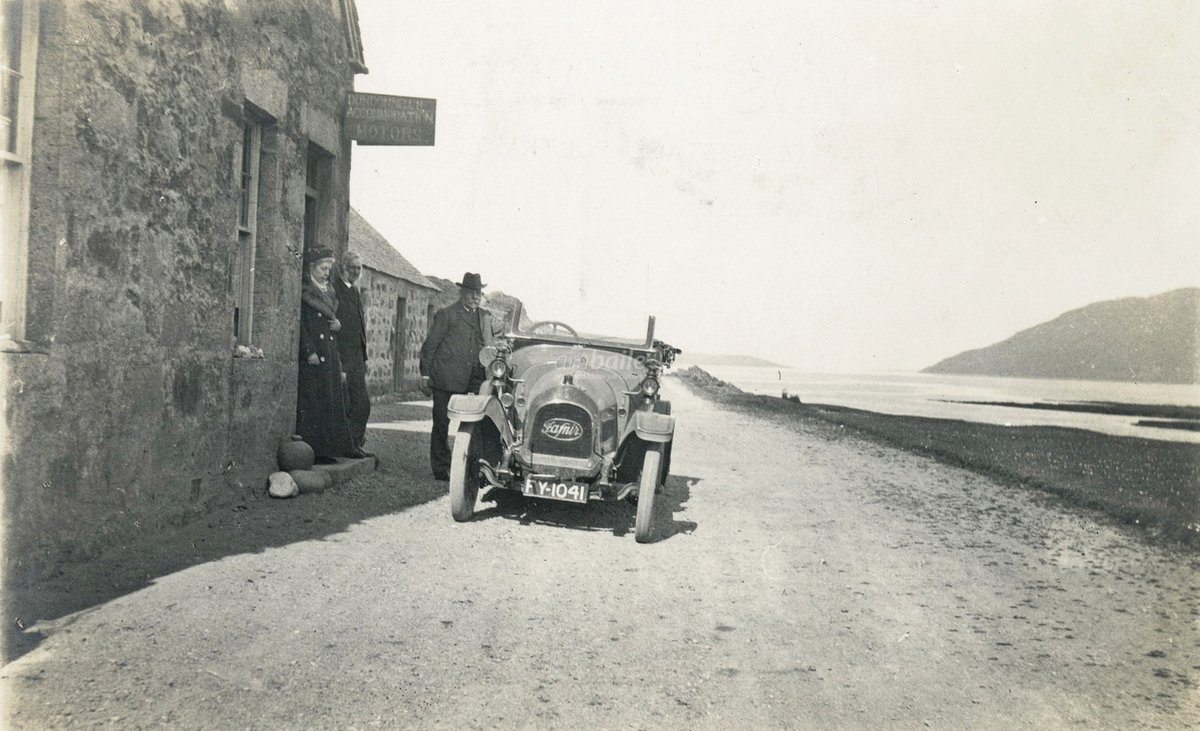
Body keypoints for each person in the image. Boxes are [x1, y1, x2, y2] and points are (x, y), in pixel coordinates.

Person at [419, 272, 504, 480]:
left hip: (475, 378)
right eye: (471, 293)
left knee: (484, 419)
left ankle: (480, 464)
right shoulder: (447, 314)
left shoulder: (484, 317)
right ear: (461, 293)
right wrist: (424, 374)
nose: (475, 297)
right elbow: (430, 346)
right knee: (441, 423)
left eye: (478, 293)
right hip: (446, 378)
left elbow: (496, 338)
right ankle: (441, 468)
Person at [296, 246, 362, 462]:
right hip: (315, 355)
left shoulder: (329, 291)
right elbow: (301, 324)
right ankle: (316, 451)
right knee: (315, 402)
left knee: (332, 400)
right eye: (323, 269)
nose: (326, 273)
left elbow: (332, 320)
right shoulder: (306, 292)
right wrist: (309, 351)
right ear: (312, 268)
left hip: (330, 352)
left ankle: (330, 449)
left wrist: (338, 324)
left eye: (328, 269)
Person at [333, 251, 372, 457]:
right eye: (352, 268)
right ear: (343, 268)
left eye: (359, 268)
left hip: (356, 359)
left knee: (363, 404)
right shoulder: (336, 290)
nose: (356, 272)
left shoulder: (356, 292)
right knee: (346, 404)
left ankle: (355, 443)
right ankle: (348, 447)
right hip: (342, 357)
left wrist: (364, 358)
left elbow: (360, 328)